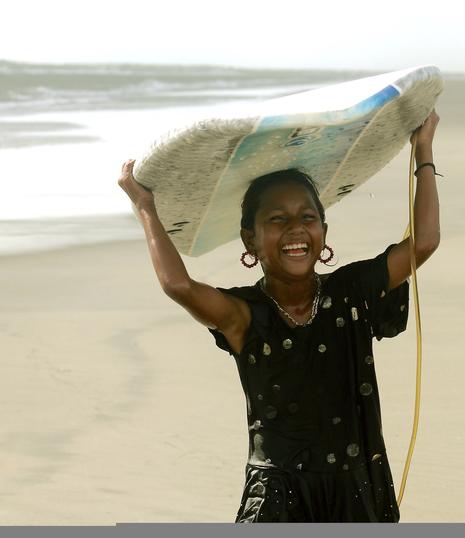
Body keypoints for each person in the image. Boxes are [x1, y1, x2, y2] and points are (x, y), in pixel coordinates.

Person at [117, 109, 441, 522]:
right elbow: (179, 285)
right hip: (277, 491)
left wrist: (424, 152)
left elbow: (424, 241)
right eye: (277, 219)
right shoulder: (243, 316)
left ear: (323, 230)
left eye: (308, 217)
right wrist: (145, 206)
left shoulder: (351, 291)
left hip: (357, 485)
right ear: (250, 240)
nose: (295, 229)